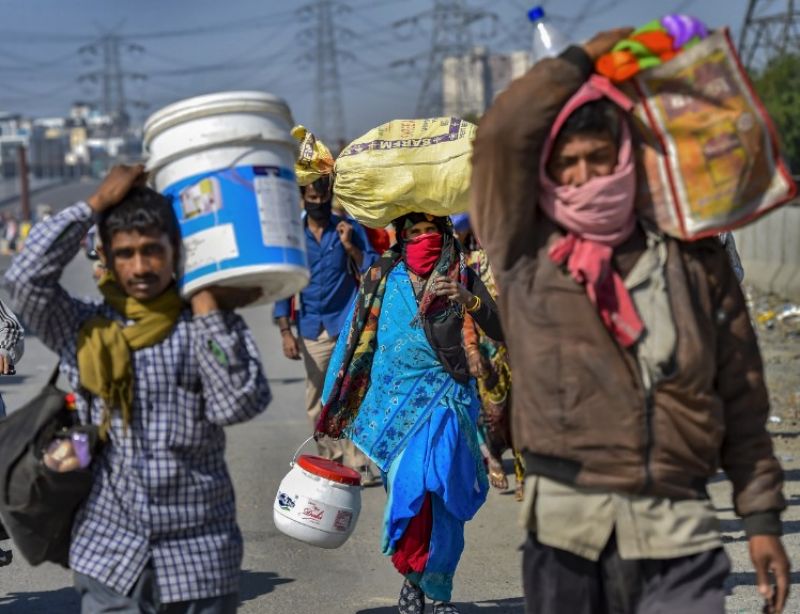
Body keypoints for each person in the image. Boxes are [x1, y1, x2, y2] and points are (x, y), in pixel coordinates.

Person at [470, 29, 791, 614]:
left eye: (600, 157)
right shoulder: (525, 254)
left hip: (679, 530)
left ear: (626, 156)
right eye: (568, 164)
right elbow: (500, 137)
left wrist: (761, 514)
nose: (587, 176)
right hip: (568, 532)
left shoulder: (693, 258)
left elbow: (741, 390)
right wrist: (582, 61)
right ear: (548, 171)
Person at [5, 165, 272, 613]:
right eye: (125, 253)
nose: (141, 266)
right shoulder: (85, 328)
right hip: (110, 554)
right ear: (106, 257)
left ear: (175, 253)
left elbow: (237, 403)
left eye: (152, 250)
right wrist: (94, 205)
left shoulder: (205, 325)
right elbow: (23, 280)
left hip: (200, 555)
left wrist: (207, 306)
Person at [319, 213, 504, 614]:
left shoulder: (461, 275)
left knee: (441, 494)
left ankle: (437, 592)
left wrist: (466, 298)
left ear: (444, 233)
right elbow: (355, 338)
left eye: (430, 232)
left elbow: (500, 327)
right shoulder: (381, 277)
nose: (422, 239)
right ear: (401, 239)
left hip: (446, 402)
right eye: (413, 233)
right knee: (411, 498)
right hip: (393, 406)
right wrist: (334, 396)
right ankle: (413, 581)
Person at [274, 174, 380, 484]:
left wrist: (351, 247)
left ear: (330, 196)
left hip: (345, 324)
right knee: (318, 398)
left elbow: (371, 269)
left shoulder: (347, 229)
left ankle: (358, 461)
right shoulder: (294, 235)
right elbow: (285, 282)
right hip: (310, 329)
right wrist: (284, 331)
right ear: (303, 198)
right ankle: (331, 459)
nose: (318, 204)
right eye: (312, 199)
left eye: (323, 199)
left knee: (351, 391)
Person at [451, 213, 524, 501]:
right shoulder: (470, 264)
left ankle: (524, 477)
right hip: (486, 348)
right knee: (493, 413)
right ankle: (492, 455)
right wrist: (471, 349)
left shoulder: (518, 260)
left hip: (520, 347)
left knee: (522, 414)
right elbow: (469, 313)